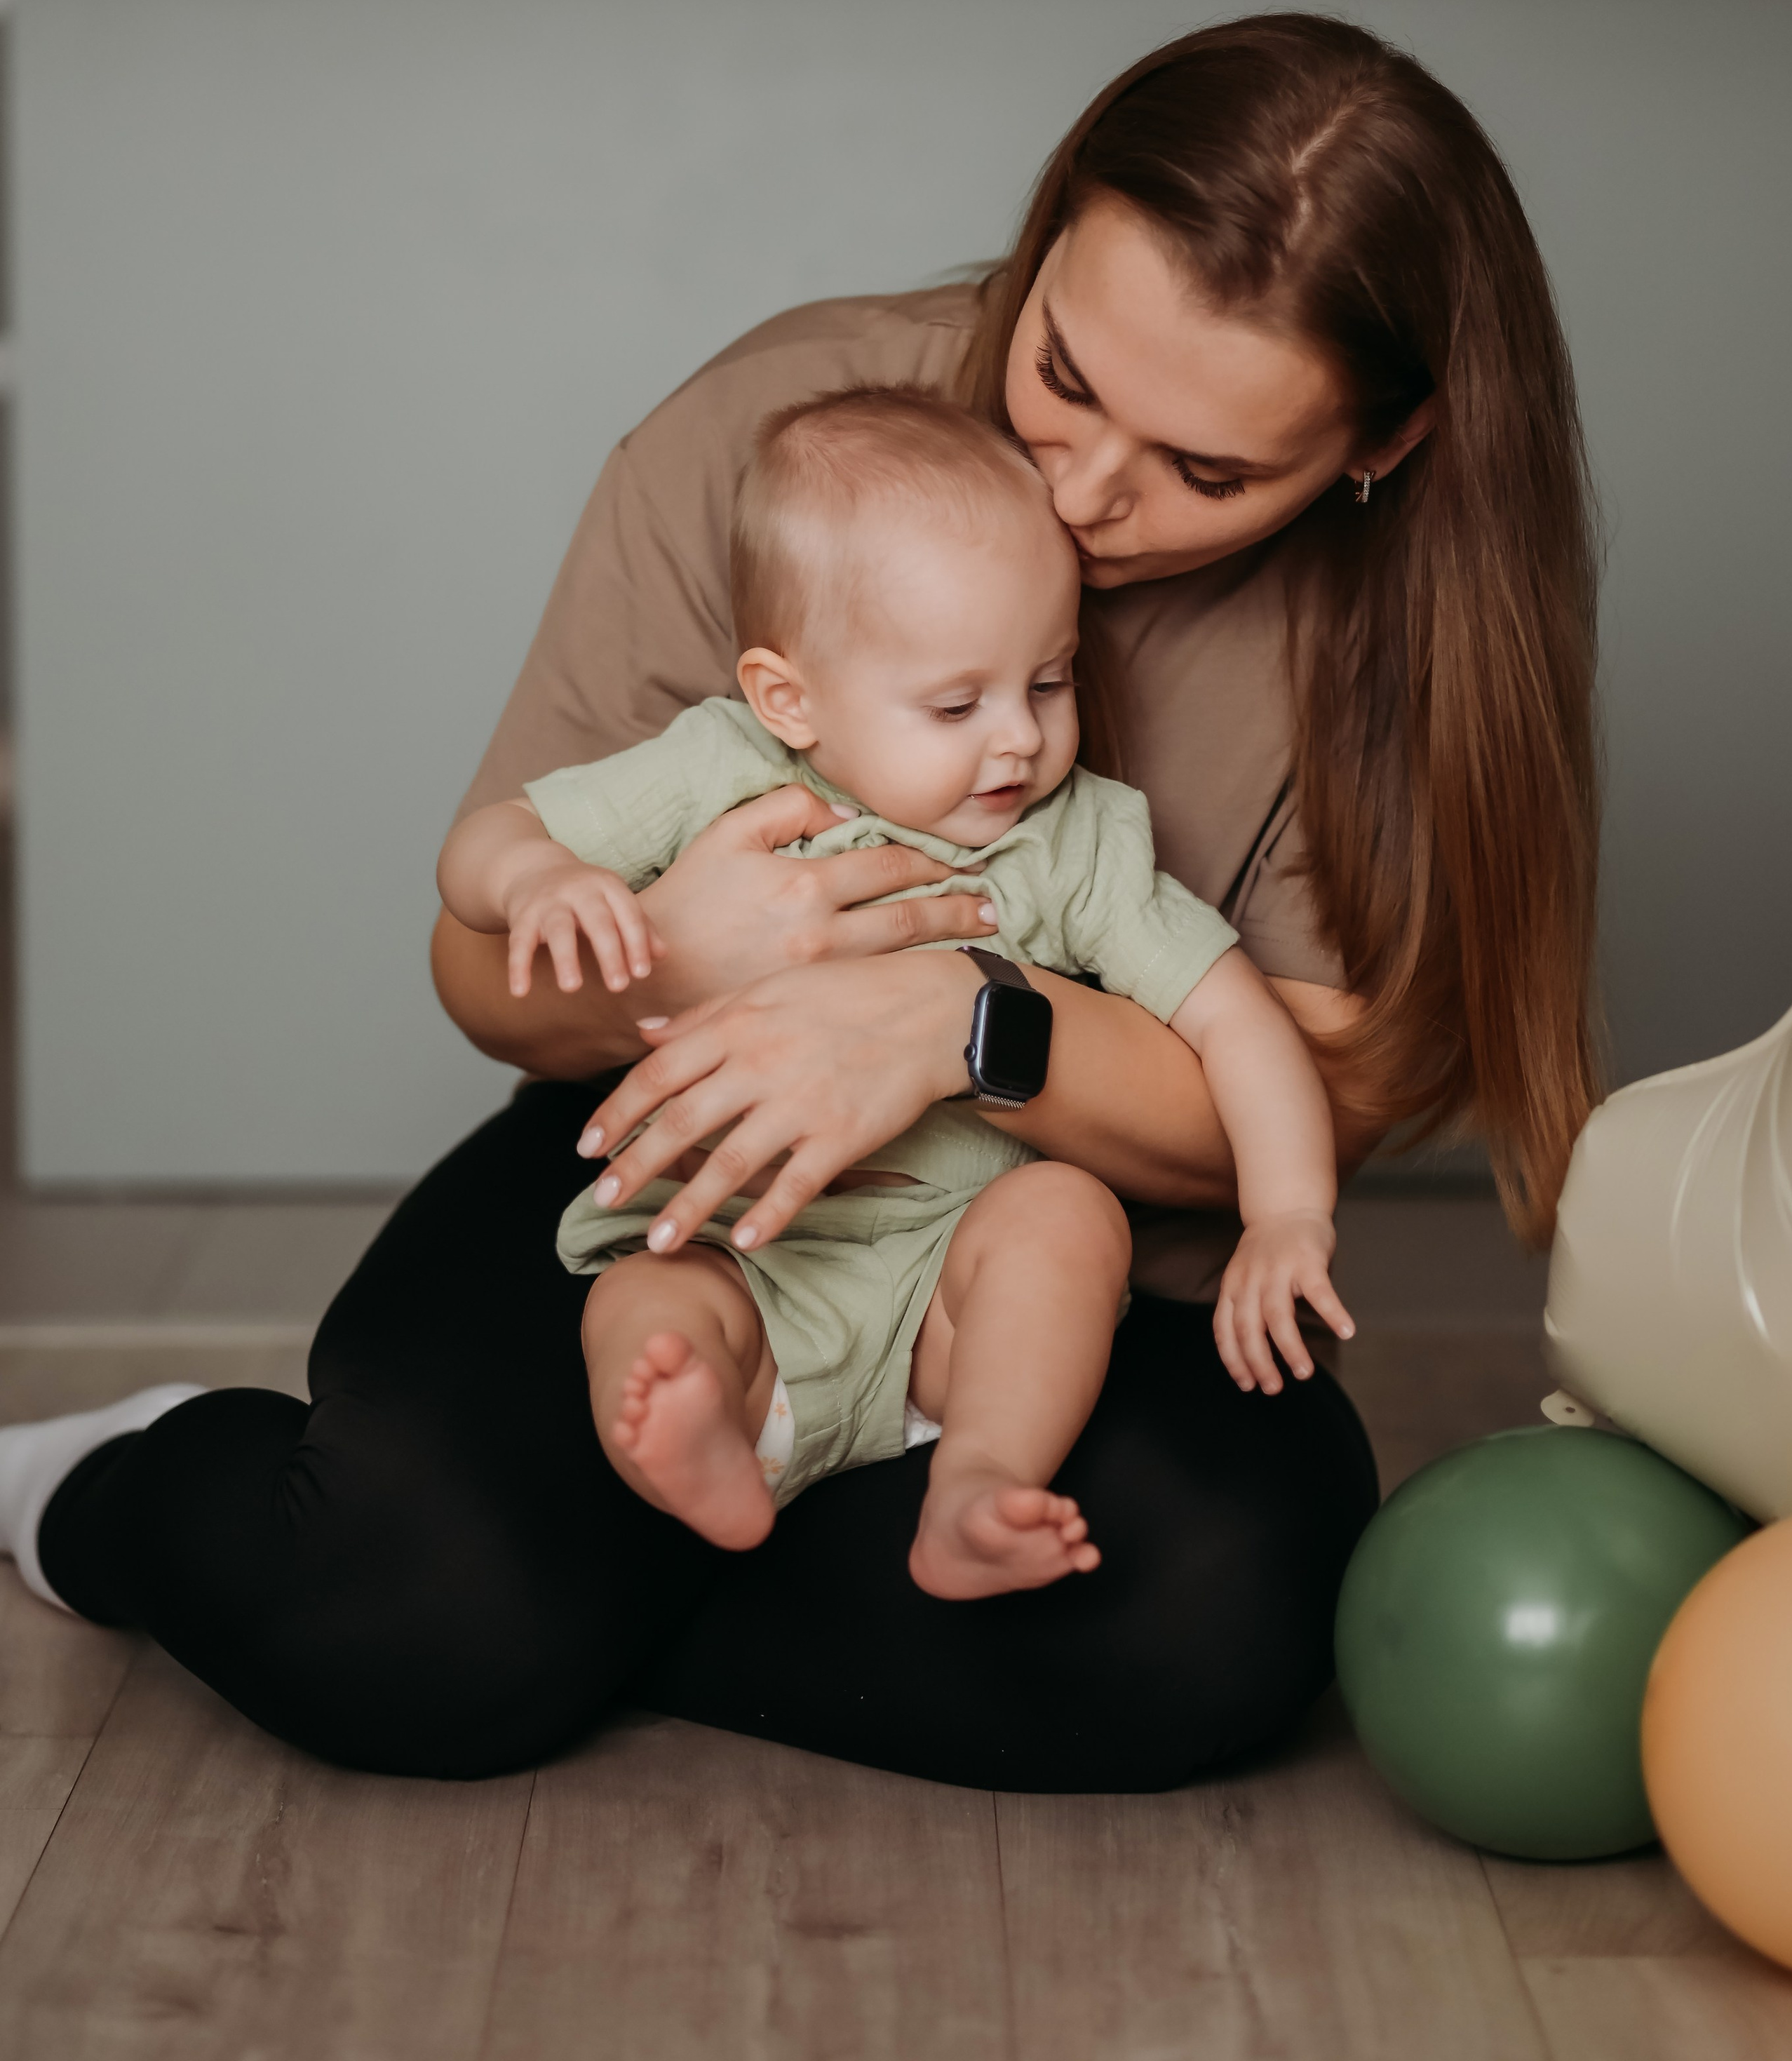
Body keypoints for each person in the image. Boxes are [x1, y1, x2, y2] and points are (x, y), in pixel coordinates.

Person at [0, 14, 1600, 1790]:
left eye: (1206, 473)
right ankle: (170, 1487)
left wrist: (949, 1024)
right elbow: (480, 957)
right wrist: (683, 959)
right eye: (1064, 375)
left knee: (1220, 1608)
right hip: (688, 1172)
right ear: (1052, 219)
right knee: (403, 1628)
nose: (1078, 498)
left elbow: (1285, 1111)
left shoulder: (1410, 654)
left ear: (1382, 441)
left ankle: (559, 1583)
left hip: (1046, 1276)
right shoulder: (786, 435)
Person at [438, 389, 1350, 1597]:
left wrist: (1291, 1213)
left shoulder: (1072, 842)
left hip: (944, 1276)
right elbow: (478, 852)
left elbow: (1235, 1017)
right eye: (957, 705)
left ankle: (976, 1480)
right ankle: (687, 1422)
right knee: (652, 1300)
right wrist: (543, 877)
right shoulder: (721, 767)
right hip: (732, 1234)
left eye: (1050, 680)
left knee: (1069, 1224)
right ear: (790, 700)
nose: (1018, 743)